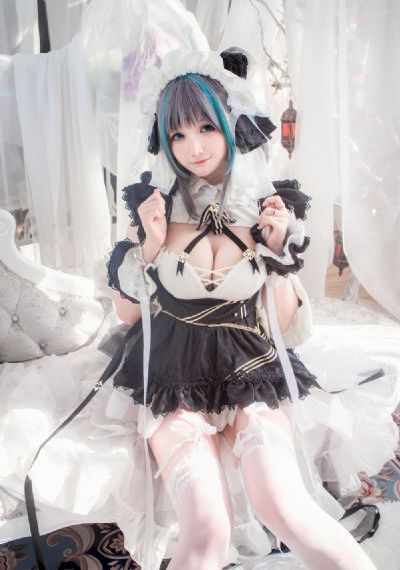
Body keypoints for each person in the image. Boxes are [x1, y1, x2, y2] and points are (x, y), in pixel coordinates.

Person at [107, 49, 378, 570]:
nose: (194, 147)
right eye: (177, 135)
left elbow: (284, 323)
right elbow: (127, 315)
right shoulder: (153, 206)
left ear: (231, 124)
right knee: (208, 529)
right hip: (171, 378)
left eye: (206, 127)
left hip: (250, 367)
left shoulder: (269, 207)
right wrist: (149, 246)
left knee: (285, 507)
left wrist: (277, 254)